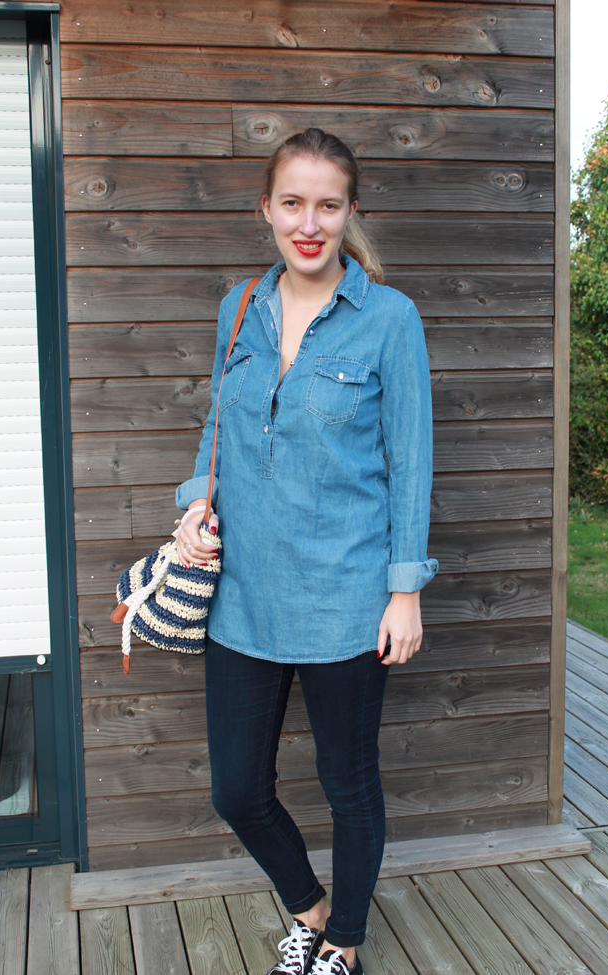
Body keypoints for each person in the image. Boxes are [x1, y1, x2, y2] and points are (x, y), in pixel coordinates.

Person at [175, 128, 438, 975]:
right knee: (237, 788)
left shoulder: (389, 319)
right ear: (268, 208)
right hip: (243, 599)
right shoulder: (239, 306)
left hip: (348, 599)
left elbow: (411, 463)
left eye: (328, 204)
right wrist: (195, 506)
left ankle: (345, 944)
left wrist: (405, 591)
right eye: (293, 203)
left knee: (348, 782)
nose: (310, 223)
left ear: (351, 210)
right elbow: (219, 424)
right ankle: (313, 911)